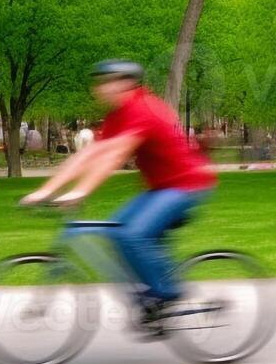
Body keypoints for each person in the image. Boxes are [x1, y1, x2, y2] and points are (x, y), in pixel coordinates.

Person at [21, 60, 215, 331]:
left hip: (186, 185)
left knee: (132, 234)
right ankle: (151, 298)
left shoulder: (143, 108)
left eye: (104, 82)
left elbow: (115, 155)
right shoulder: (118, 115)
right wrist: (46, 190)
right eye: (98, 82)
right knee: (116, 230)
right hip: (159, 188)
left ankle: (166, 294)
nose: (98, 89)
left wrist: (80, 191)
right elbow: (89, 153)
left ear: (124, 83)